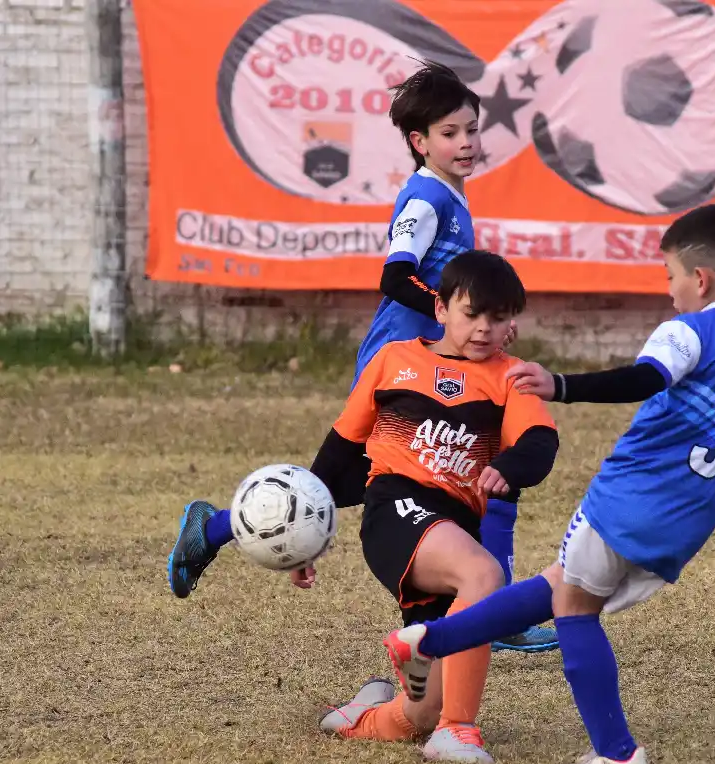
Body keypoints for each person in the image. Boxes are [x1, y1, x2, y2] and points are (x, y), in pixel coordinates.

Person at [381, 202, 715, 764]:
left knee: (574, 607)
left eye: (670, 278)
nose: (670, 293)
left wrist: (560, 385)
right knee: (560, 584)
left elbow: (644, 378)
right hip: (687, 524)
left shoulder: (690, 330)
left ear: (700, 280)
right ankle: (428, 641)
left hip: (628, 499)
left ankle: (616, 754)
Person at [166, 61, 557, 653]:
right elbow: (396, 277)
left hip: (441, 355)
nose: (466, 143)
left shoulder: (449, 193)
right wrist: (449, 317)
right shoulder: (427, 198)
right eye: (450, 133)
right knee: (366, 479)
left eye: (472, 130)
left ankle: (494, 610)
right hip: (405, 360)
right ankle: (216, 527)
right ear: (420, 142)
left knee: (475, 464)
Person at [309, 250, 559, 764]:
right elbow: (337, 454)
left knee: (417, 717)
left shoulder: (510, 376)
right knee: (485, 575)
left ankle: (369, 709)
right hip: (394, 509)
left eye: (499, 317)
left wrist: (511, 469)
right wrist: (306, 538)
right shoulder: (393, 361)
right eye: (473, 314)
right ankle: (459, 733)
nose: (485, 328)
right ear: (441, 308)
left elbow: (539, 443)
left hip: (452, 528)